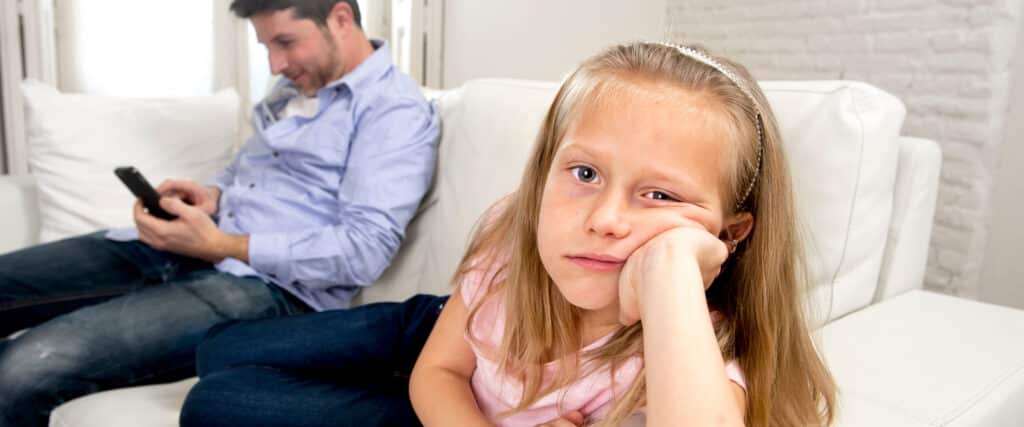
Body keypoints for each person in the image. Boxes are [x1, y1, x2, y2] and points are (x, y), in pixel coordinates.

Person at [0, 0, 439, 425]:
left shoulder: (392, 110)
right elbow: (250, 174)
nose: (275, 64)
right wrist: (213, 196)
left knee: (25, 370)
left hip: (270, 290)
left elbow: (364, 249)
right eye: (266, 46)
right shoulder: (294, 89)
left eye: (285, 42)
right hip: (199, 243)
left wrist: (222, 245)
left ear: (340, 17)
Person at [408, 42, 837, 426]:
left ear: (728, 236)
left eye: (660, 194)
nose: (605, 219)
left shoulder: (693, 360)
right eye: (586, 173)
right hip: (424, 328)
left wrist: (670, 269)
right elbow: (438, 372)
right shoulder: (509, 232)